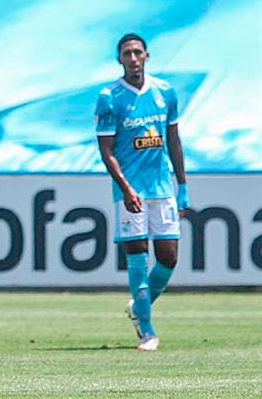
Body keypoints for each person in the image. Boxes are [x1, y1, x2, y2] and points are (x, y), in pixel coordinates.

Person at [95, 33, 190, 351]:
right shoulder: (109, 97)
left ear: (147, 56)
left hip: (162, 188)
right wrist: (125, 189)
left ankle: (138, 306)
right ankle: (147, 330)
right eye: (127, 53)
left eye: (137, 52)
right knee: (137, 257)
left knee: (169, 258)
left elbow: (174, 141)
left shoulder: (165, 92)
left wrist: (183, 185)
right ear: (119, 59)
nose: (133, 58)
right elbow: (106, 150)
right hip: (131, 192)